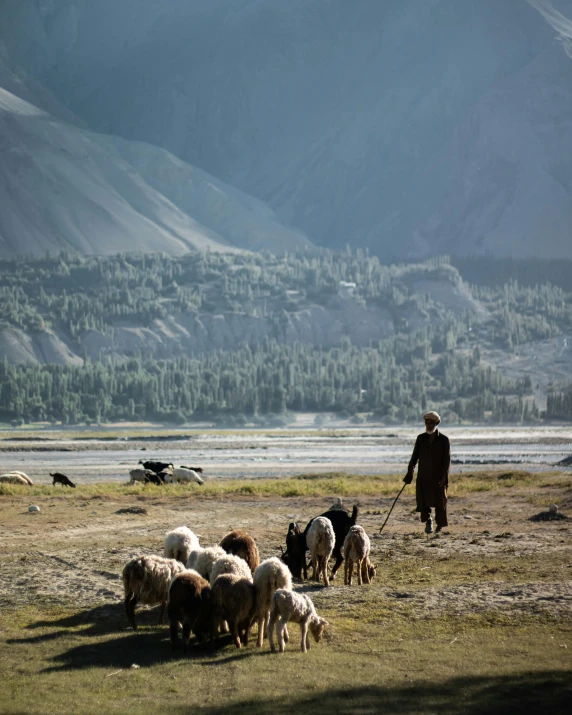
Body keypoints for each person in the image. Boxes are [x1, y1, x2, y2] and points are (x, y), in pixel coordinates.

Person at [403, 411, 450, 534]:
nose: (428, 425)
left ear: (436, 423)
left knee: (440, 502)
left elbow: (447, 461)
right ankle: (428, 520)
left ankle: (439, 525)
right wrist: (410, 473)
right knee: (423, 501)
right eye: (426, 422)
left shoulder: (444, 440)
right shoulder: (421, 439)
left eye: (431, 422)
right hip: (423, 476)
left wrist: (443, 477)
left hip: (439, 477)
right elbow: (414, 458)